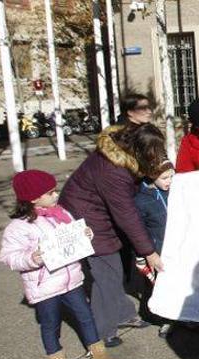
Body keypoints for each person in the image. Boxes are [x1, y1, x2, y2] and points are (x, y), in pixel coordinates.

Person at [0, 170, 119, 359]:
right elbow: (9, 257)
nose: (56, 195)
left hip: (71, 279)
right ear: (34, 198)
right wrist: (31, 258)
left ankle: (96, 349)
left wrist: (85, 235)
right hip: (44, 286)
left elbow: (73, 237)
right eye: (51, 192)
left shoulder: (61, 214)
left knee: (85, 315)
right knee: (50, 323)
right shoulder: (18, 227)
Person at [59, 123, 168, 347]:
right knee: (107, 272)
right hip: (86, 218)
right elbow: (126, 215)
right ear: (139, 150)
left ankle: (123, 314)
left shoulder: (123, 152)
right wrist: (149, 253)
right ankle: (103, 330)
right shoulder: (113, 171)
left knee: (114, 269)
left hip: (97, 210)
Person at [134, 163, 174, 337]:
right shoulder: (141, 200)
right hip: (158, 250)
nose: (170, 181)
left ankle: (184, 315)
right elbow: (138, 230)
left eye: (172, 176)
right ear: (151, 176)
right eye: (165, 178)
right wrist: (144, 253)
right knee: (160, 286)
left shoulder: (175, 190)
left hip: (178, 247)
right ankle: (165, 319)